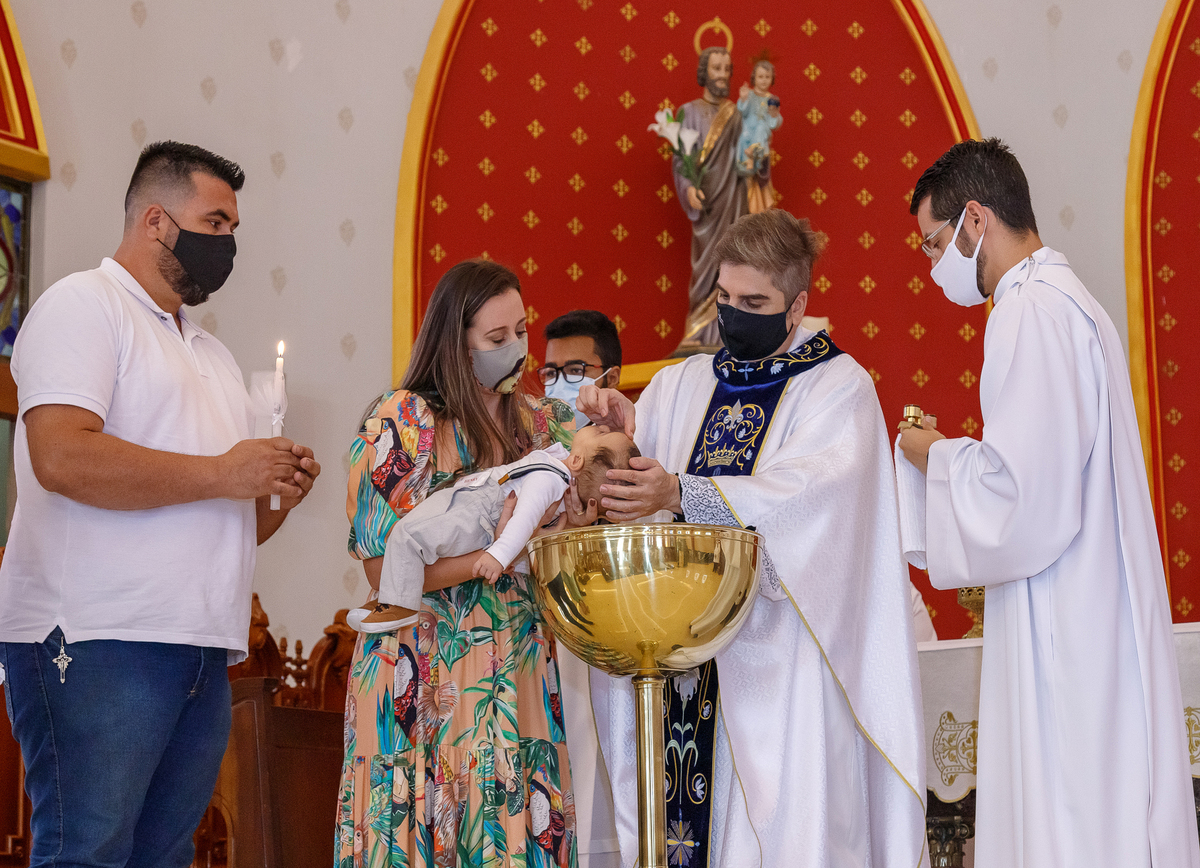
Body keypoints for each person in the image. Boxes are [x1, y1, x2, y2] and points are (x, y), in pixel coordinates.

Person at [0, 141, 321, 868]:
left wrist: (276, 492)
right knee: (86, 853)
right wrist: (225, 470)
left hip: (198, 645)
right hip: (96, 637)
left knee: (164, 858)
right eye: (214, 223)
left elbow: (225, 519)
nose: (227, 244)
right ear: (155, 221)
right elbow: (61, 457)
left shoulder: (211, 354)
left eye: (233, 227)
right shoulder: (84, 306)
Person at [579, 209, 926, 867]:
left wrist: (681, 492)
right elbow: (640, 495)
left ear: (797, 306)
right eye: (725, 297)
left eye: (755, 303)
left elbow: (810, 501)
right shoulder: (681, 383)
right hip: (683, 662)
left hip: (780, 668)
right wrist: (619, 443)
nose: (733, 316)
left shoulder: (839, 388)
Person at [899, 139, 1200, 867]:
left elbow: (1022, 500)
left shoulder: (1028, 310)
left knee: (1068, 815)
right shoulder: (1072, 301)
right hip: (1092, 604)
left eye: (935, 243)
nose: (933, 265)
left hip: (1063, 618)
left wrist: (931, 453)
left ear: (976, 220)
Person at [339, 258, 583, 868]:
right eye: (497, 338)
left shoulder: (546, 425)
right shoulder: (403, 422)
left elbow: (578, 532)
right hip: (420, 673)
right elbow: (381, 574)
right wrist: (491, 556)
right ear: (455, 343)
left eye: (521, 331)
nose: (517, 350)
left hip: (516, 667)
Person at [347, 423, 638, 632]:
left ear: (576, 460)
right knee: (411, 535)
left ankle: (398, 607)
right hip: (474, 502)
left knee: (408, 534)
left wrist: (498, 554)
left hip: (479, 509)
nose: (598, 426)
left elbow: (525, 518)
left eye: (601, 432)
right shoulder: (557, 470)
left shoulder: (549, 478)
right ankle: (392, 601)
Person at [670, 46, 767, 354]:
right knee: (706, 266)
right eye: (716, 68)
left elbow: (751, 154)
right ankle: (699, 331)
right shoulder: (689, 112)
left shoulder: (738, 114)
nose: (723, 75)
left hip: (735, 201)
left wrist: (759, 154)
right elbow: (680, 159)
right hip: (707, 205)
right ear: (704, 72)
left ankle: (730, 331)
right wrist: (688, 188)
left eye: (727, 69)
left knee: (736, 261)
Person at [542, 309, 622, 431]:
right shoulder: (530, 439)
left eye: (575, 371)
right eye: (551, 373)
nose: (560, 386)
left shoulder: (635, 439)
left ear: (612, 378)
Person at [735, 59, 782, 213]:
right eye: (760, 76)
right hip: (746, 140)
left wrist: (774, 115)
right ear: (754, 77)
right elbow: (742, 111)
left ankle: (754, 153)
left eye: (767, 77)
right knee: (747, 181)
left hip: (761, 145)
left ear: (772, 79)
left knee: (762, 126)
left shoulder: (772, 100)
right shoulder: (749, 95)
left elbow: (774, 124)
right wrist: (743, 99)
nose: (764, 80)